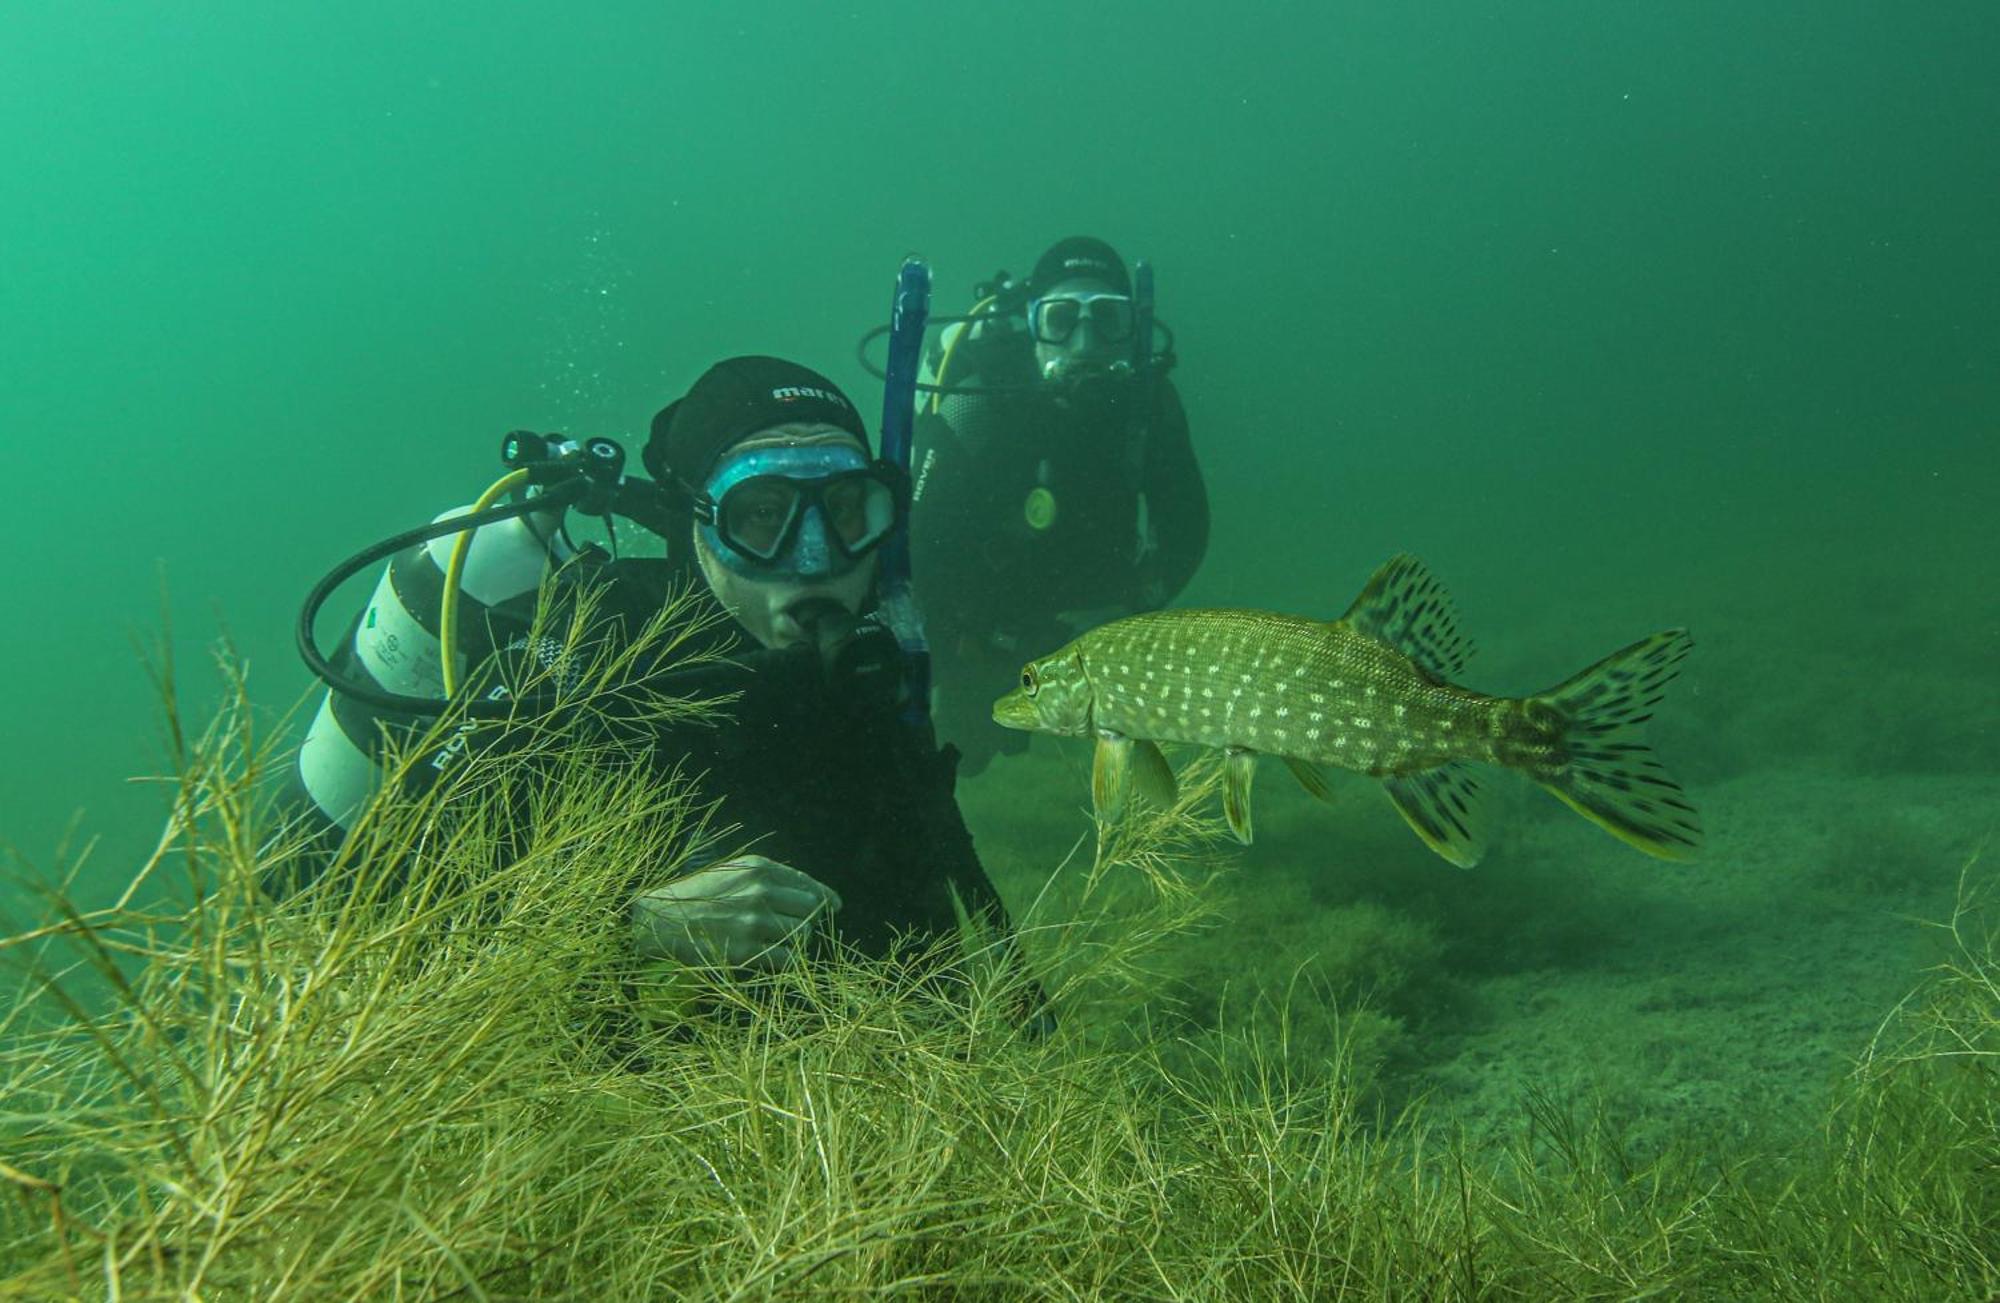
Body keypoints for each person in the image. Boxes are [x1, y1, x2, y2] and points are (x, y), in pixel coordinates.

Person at [283, 356, 1023, 999]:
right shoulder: (591, 655)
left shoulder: (876, 673)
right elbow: (402, 925)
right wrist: (631, 922)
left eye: (845, 512)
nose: (815, 555)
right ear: (696, 526)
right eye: (760, 516)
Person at [910, 236, 1210, 772]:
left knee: (1141, 770)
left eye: (1109, 320)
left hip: (1096, 630)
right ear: (1031, 325)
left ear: (1132, 332)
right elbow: (921, 548)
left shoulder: (1150, 406)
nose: (1084, 342)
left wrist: (1138, 605)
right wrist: (964, 650)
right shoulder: (975, 404)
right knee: (960, 755)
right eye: (1061, 318)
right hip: (983, 626)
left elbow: (1187, 526)